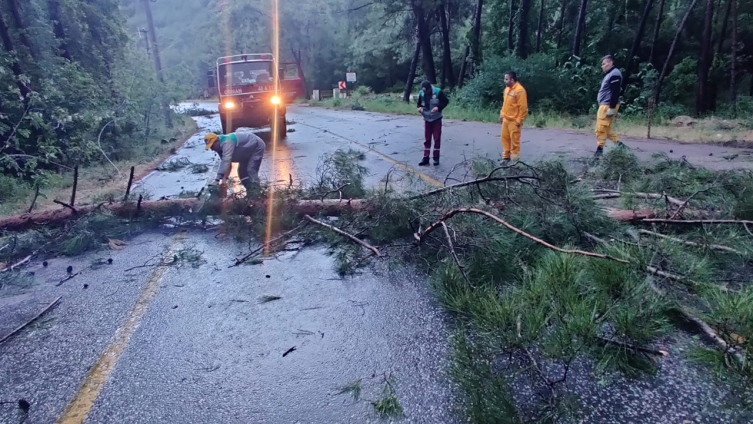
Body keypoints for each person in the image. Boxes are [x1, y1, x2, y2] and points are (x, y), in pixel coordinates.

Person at [594, 55, 623, 157]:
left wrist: (612, 107)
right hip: (605, 104)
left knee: (600, 128)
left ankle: (599, 152)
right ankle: (621, 147)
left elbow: (615, 92)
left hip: (607, 105)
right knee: (606, 129)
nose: (603, 66)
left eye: (604, 63)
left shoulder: (614, 74)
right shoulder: (611, 74)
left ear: (610, 63)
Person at [416, 81, 449, 166]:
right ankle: (426, 158)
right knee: (427, 140)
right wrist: (419, 108)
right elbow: (419, 104)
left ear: (430, 88)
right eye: (423, 91)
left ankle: (436, 158)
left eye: (426, 91)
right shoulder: (421, 94)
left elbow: (445, 101)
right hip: (427, 119)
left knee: (437, 139)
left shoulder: (438, 92)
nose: (425, 93)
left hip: (436, 119)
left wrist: (438, 107)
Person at [499, 71, 528, 163]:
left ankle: (515, 162)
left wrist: (519, 120)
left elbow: (523, 108)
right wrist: (502, 114)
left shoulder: (520, 90)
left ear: (512, 79)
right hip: (506, 119)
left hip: (514, 121)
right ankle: (506, 158)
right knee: (504, 138)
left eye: (506, 79)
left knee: (515, 142)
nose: (504, 81)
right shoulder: (507, 89)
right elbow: (505, 104)